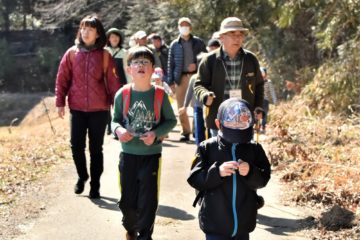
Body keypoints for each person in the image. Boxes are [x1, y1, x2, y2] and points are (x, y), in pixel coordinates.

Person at [111, 46, 177, 240]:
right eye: (136, 62)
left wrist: (156, 134)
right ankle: (130, 227)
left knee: (148, 200)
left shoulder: (159, 95)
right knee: (127, 202)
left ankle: (145, 236)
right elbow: (114, 120)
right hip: (128, 155)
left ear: (152, 69)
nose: (140, 65)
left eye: (145, 62)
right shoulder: (122, 94)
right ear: (129, 69)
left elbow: (171, 121)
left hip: (151, 156)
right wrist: (119, 130)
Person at [55, 15, 121, 198]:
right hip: (76, 108)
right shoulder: (71, 53)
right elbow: (62, 79)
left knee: (95, 148)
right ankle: (82, 175)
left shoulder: (105, 56)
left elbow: (114, 84)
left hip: (99, 109)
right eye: (83, 28)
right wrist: (60, 102)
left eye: (90, 29)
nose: (85, 32)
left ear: (98, 33)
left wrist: (120, 108)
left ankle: (95, 184)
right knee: (76, 145)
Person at [187, 98, 271, 240]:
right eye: (232, 125)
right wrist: (217, 172)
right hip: (214, 225)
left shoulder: (254, 148)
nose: (237, 138)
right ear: (218, 124)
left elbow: (264, 178)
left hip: (243, 225)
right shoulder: (206, 148)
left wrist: (250, 171)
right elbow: (194, 179)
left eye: (242, 126)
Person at [194, 17, 264, 138]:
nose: (237, 38)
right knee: (220, 156)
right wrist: (205, 95)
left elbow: (259, 85)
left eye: (240, 34)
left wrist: (258, 106)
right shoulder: (210, 60)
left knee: (244, 156)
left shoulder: (251, 59)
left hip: (245, 119)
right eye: (232, 34)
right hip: (219, 119)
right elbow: (199, 84)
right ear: (221, 37)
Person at [168, 17, 207, 142]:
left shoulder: (198, 42)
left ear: (190, 27)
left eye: (186, 25)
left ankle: (197, 130)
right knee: (181, 106)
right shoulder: (174, 44)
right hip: (181, 78)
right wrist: (170, 82)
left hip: (196, 77)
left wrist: (196, 64)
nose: (184, 27)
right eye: (181, 25)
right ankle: (185, 132)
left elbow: (206, 58)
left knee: (197, 105)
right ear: (178, 27)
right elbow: (170, 64)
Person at [105, 27, 129, 135]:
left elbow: (126, 69)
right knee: (106, 106)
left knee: (119, 106)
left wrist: (129, 84)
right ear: (108, 39)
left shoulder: (124, 52)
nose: (114, 39)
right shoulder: (104, 51)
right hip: (106, 82)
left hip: (120, 82)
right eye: (112, 37)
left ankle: (118, 128)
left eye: (116, 36)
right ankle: (109, 125)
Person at [260, 67, 277, 133]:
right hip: (257, 100)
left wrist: (275, 101)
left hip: (265, 100)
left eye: (263, 74)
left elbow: (272, 92)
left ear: (265, 74)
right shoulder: (256, 82)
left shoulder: (268, 82)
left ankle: (263, 127)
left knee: (264, 114)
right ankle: (256, 126)